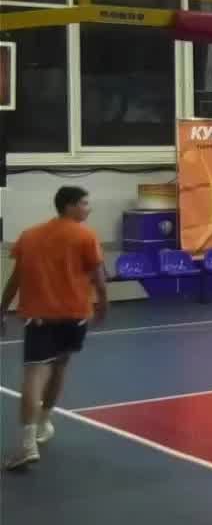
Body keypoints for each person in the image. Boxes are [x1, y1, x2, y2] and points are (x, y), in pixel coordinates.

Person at [2, 187, 109, 471]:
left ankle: (28, 444)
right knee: (60, 367)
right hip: (74, 318)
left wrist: (2, 310)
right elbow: (99, 277)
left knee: (34, 376)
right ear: (69, 206)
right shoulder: (86, 236)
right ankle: (44, 422)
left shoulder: (29, 235)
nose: (88, 208)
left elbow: (15, 279)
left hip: (41, 318)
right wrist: (103, 305)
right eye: (84, 203)